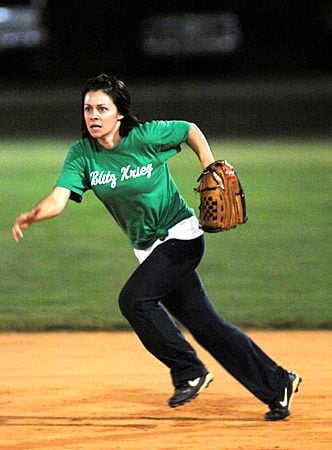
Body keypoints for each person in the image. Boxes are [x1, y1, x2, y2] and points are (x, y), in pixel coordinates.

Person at [12, 73, 301, 421]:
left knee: (133, 300)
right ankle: (277, 383)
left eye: (102, 108)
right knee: (208, 327)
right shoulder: (83, 155)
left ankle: (188, 371)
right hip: (151, 251)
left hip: (181, 237)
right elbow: (59, 200)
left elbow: (190, 130)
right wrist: (33, 215)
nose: (93, 115)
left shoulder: (144, 136)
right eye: (88, 108)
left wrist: (210, 166)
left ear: (119, 113)